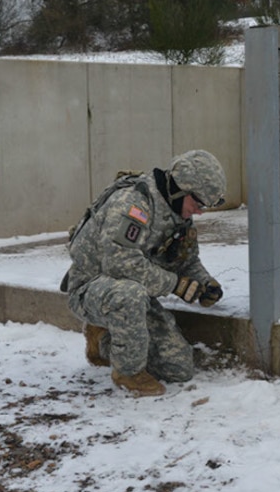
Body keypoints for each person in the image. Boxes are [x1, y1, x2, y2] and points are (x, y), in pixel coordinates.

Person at [62, 149, 227, 396]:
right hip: (92, 287)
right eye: (199, 203)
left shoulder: (178, 213)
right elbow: (120, 264)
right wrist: (175, 285)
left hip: (136, 291)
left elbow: (186, 261)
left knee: (178, 368)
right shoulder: (132, 204)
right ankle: (128, 373)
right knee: (129, 294)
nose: (200, 211)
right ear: (180, 189)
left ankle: (103, 341)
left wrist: (204, 283)